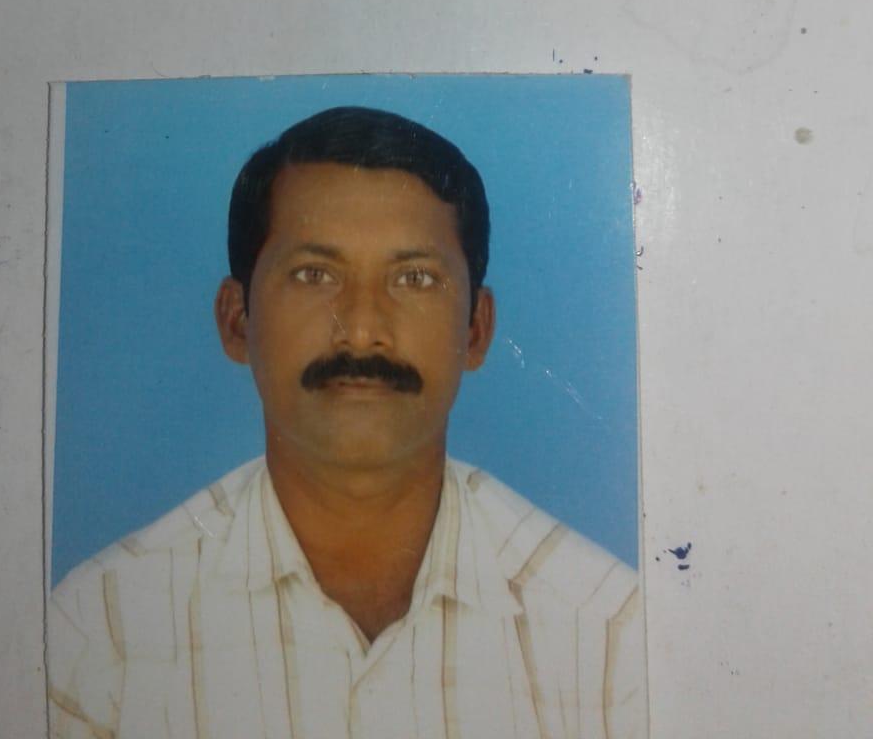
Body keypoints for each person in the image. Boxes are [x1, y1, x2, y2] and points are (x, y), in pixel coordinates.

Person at [48, 106, 645, 738]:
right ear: (236, 320)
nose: (361, 330)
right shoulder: (99, 638)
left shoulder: (612, 637)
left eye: (414, 278)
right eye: (314, 275)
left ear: (476, 329)